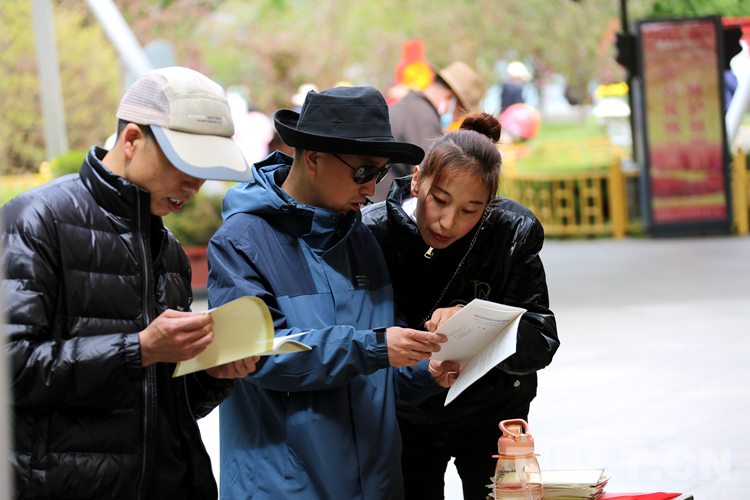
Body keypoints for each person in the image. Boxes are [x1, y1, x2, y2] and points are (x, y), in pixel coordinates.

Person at [2, 66, 261, 500]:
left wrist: (213, 374)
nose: (194, 184)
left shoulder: (170, 249)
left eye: (205, 168)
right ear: (132, 140)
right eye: (184, 162)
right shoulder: (35, 221)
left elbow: (170, 405)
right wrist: (138, 349)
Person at [206, 86, 461, 500]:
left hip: (376, 485)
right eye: (363, 172)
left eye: (380, 174)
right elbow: (258, 357)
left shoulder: (362, 240)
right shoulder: (239, 242)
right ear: (312, 157)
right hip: (282, 490)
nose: (371, 188)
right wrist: (377, 348)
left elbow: (380, 371)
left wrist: (426, 369)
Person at [361, 112, 559, 500]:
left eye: (470, 210)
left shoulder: (512, 231)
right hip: (406, 416)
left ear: (488, 205)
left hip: (494, 410)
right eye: (439, 200)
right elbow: (365, 340)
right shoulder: (371, 233)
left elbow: (541, 339)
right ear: (417, 179)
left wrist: (473, 318)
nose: (448, 222)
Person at [376, 61, 486, 202]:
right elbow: (433, 178)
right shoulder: (424, 117)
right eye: (459, 111)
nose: (456, 118)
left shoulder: (411, 105)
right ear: (450, 98)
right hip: (379, 204)